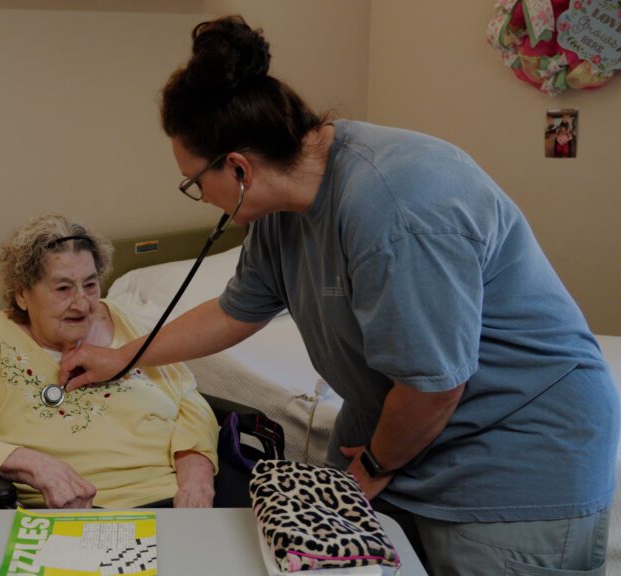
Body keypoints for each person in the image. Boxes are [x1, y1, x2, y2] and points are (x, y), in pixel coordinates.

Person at [59, 15, 618, 575]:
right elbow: (236, 309)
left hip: (513, 452)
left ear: (238, 168)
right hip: (400, 440)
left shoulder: (395, 206)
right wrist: (120, 358)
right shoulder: (282, 208)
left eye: (194, 182)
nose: (199, 198)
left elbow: (434, 386)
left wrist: (371, 468)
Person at [0, 213, 219, 509]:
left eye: (90, 284)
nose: (82, 303)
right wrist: (34, 465)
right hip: (79, 513)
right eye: (62, 288)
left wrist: (196, 478)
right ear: (22, 294)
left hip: (178, 502)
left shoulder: (124, 321)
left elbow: (189, 400)